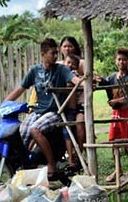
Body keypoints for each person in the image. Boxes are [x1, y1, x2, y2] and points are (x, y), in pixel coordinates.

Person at [5, 38, 80, 183]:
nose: (56, 56)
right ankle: (27, 166)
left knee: (34, 129)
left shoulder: (62, 69)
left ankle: (51, 163)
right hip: (39, 111)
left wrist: (84, 81)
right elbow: (20, 89)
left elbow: (74, 79)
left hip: (55, 112)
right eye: (52, 53)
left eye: (56, 53)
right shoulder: (35, 71)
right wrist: (4, 104)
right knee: (22, 131)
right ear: (43, 54)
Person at [100, 47, 128, 183]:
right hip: (116, 113)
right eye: (119, 59)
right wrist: (99, 80)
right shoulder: (112, 77)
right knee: (114, 142)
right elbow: (106, 89)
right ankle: (118, 169)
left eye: (124, 59)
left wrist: (118, 100)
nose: (121, 62)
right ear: (115, 61)